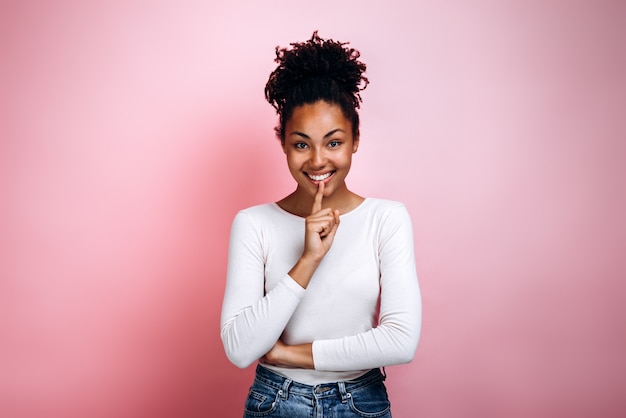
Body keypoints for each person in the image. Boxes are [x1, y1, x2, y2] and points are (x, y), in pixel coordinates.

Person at [220, 31, 422, 417]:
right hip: (276, 402)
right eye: (301, 144)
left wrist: (288, 354)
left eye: (333, 142)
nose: (317, 160)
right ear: (282, 143)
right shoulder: (254, 224)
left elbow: (401, 341)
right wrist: (308, 259)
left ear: (355, 139)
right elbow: (240, 348)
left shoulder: (386, 218)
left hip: (360, 402)